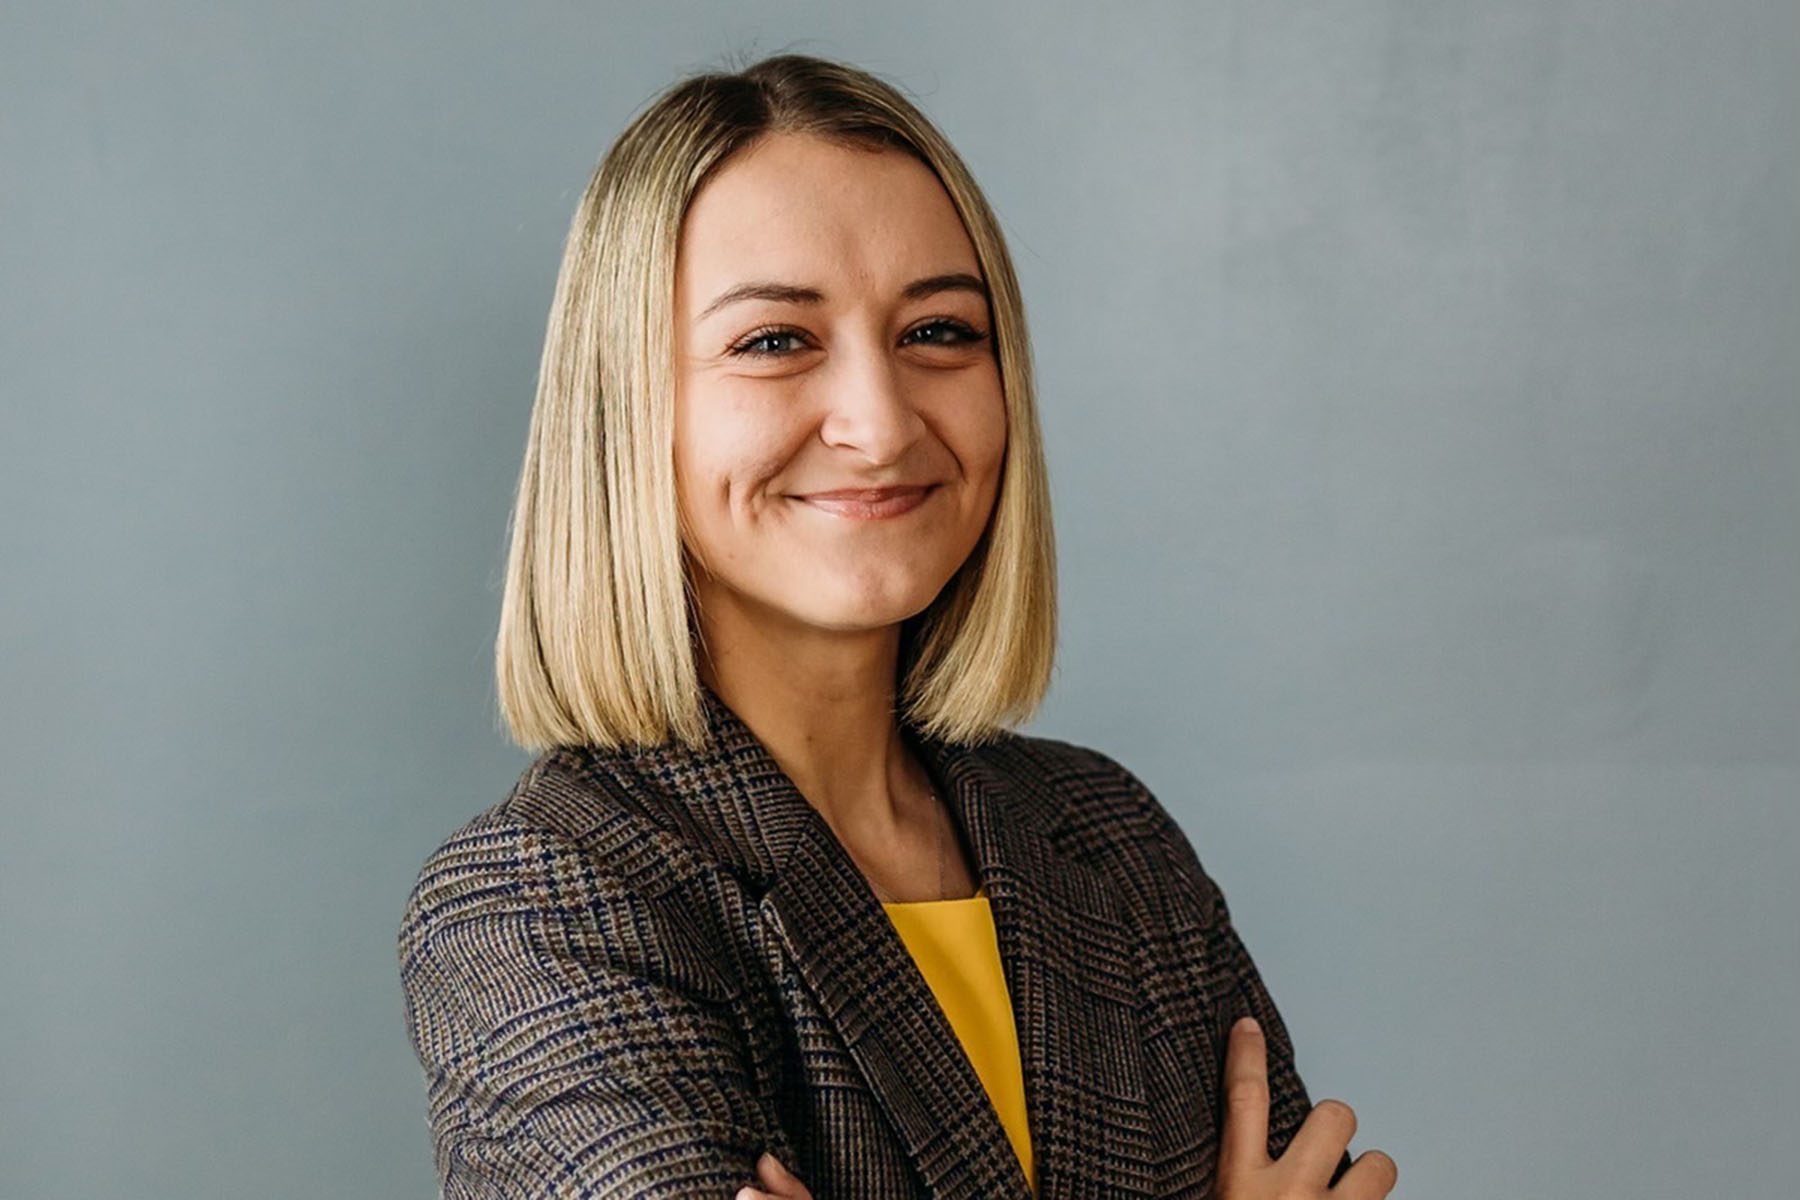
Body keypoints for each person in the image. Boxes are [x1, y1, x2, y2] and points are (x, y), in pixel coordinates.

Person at [396, 51, 1396, 1200]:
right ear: (629, 415)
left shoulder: (1112, 842)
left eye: (939, 333)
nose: (879, 423)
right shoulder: (540, 905)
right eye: (776, 341)